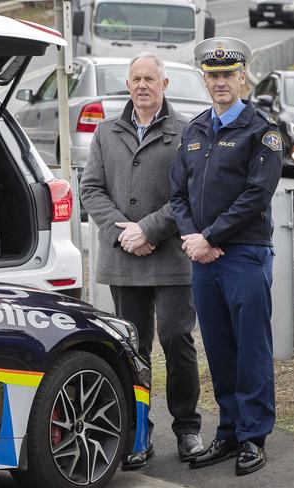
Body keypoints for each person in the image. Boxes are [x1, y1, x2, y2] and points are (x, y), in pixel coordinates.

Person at [81, 52, 203, 470]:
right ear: (128, 84)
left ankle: (187, 428)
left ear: (164, 84)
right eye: (135, 79)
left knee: (176, 339)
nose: (142, 86)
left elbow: (189, 194)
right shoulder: (105, 132)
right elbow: (91, 190)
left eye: (150, 78)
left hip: (171, 257)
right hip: (124, 259)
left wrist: (148, 230)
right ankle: (138, 433)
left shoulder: (186, 131)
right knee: (134, 348)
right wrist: (124, 232)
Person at [170, 37, 283, 476]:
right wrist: (194, 237)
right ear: (205, 80)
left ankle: (254, 436)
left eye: (228, 75)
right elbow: (178, 193)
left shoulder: (262, 130)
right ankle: (230, 431)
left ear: (242, 77)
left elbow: (257, 195)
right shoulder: (194, 130)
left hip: (245, 255)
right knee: (218, 348)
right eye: (213, 76)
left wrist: (212, 236)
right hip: (204, 258)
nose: (220, 82)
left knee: (251, 348)